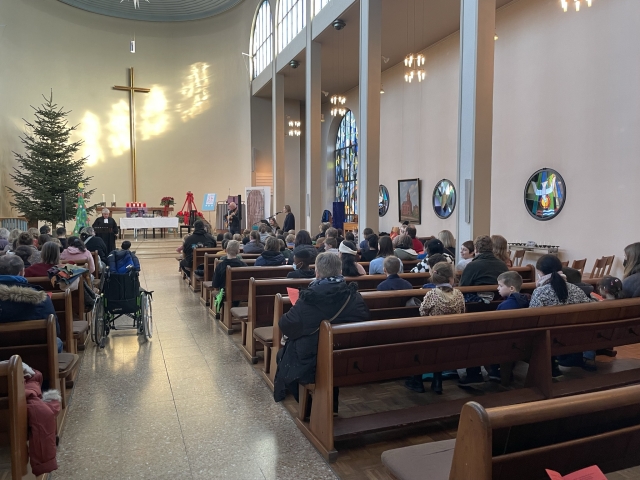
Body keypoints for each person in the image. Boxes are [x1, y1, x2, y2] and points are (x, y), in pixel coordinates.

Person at [274, 252, 370, 404]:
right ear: (340, 271)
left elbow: (286, 324)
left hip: (315, 360)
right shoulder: (354, 295)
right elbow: (364, 318)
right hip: (350, 356)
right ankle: (329, 405)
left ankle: (308, 406)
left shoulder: (310, 298)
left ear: (317, 273)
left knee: (283, 355)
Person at [405, 262, 464, 394]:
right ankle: (437, 381)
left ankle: (417, 381)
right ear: (451, 278)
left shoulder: (432, 294)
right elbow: (462, 312)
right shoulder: (459, 294)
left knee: (417, 344)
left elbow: (422, 312)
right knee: (438, 350)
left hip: (431, 335)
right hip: (451, 335)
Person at [458, 236, 509, 386]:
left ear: (476, 249)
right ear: (491, 248)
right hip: (498, 308)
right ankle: (495, 370)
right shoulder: (502, 265)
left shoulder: (473, 266)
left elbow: (463, 288)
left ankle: (474, 373)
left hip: (476, 310)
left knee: (473, 338)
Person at [530, 254, 592, 374]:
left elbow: (533, 318)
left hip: (549, 338)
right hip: (577, 335)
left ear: (540, 272)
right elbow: (589, 310)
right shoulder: (576, 289)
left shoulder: (540, 292)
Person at [0, 255, 63, 353]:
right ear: (22, 272)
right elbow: (55, 331)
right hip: (38, 354)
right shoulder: (40, 298)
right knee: (57, 341)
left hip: (2, 354)